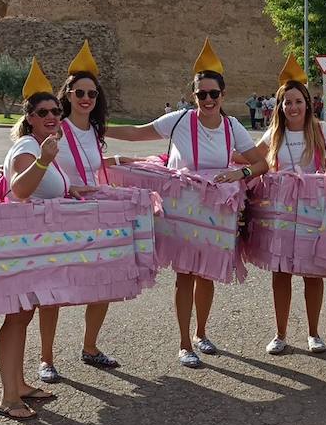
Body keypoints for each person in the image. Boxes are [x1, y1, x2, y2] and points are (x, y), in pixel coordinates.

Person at [106, 39, 266, 368]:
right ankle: (183, 343)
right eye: (201, 94)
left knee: (206, 275)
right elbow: (138, 133)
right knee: (184, 276)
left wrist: (240, 174)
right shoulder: (178, 121)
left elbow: (260, 163)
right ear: (193, 97)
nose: (208, 100)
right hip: (182, 210)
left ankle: (201, 333)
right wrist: (96, 129)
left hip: (212, 212)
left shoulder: (233, 126)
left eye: (213, 94)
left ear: (223, 95)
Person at [35, 41, 134, 384]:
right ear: (68, 94)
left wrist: (119, 161)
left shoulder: (94, 130)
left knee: (102, 283)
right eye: (79, 92)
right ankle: (46, 359)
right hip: (60, 212)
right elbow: (37, 164)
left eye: (92, 93)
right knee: (52, 290)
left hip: (93, 212)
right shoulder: (53, 128)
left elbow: (90, 167)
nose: (86, 98)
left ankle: (90, 347)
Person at [239, 57, 326, 355]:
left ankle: (314, 334)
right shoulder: (275, 133)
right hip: (281, 212)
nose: (292, 107)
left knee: (312, 272)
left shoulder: (320, 129)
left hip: (313, 209)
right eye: (286, 103)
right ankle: (281, 334)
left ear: (307, 104)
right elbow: (254, 159)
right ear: (279, 106)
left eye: (297, 101)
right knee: (281, 271)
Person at [0, 60, 66, 420]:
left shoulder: (40, 145)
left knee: (23, 314)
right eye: (43, 112)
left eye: (56, 110)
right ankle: (9, 396)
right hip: (22, 245)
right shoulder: (28, 145)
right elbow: (19, 190)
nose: (52, 116)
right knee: (17, 316)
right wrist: (44, 162)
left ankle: (18, 385)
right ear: (30, 117)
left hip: (34, 246)